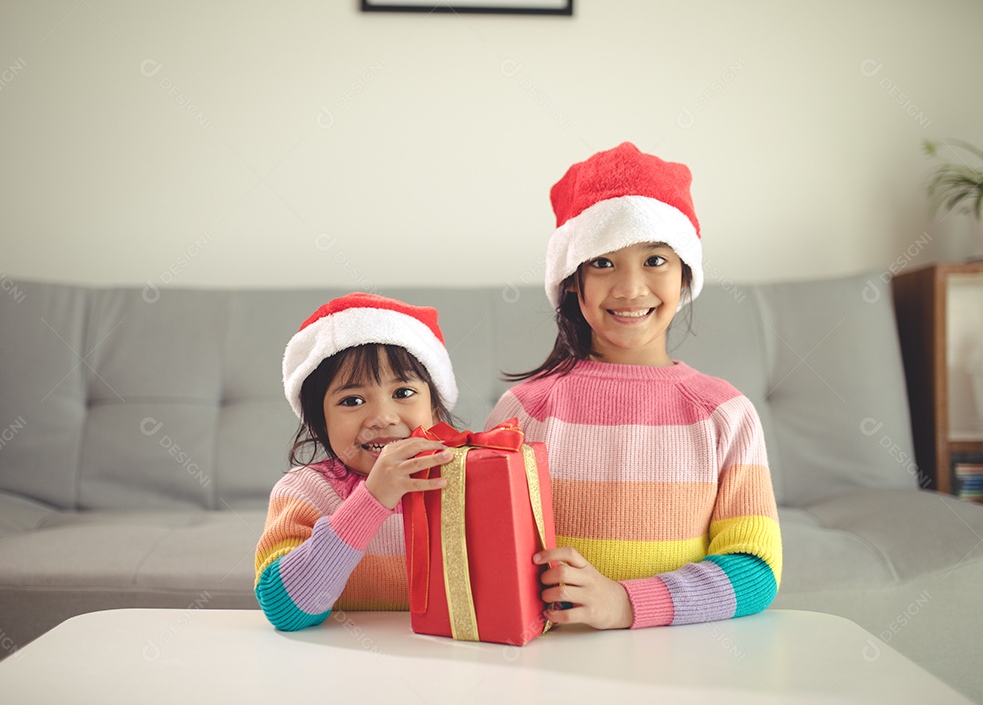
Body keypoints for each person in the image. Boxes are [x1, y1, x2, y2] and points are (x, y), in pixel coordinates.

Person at [486, 141, 782, 630]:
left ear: (685, 274)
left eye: (655, 260)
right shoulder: (525, 408)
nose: (629, 288)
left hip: (681, 668)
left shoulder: (725, 413)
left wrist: (625, 603)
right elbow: (487, 553)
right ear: (573, 281)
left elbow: (755, 571)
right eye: (602, 262)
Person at [254, 292, 459, 631]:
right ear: (320, 425)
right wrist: (372, 500)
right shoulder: (306, 491)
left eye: (403, 393)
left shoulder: (464, 477)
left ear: (435, 407)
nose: (382, 417)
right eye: (352, 400)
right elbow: (284, 609)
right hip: (340, 667)